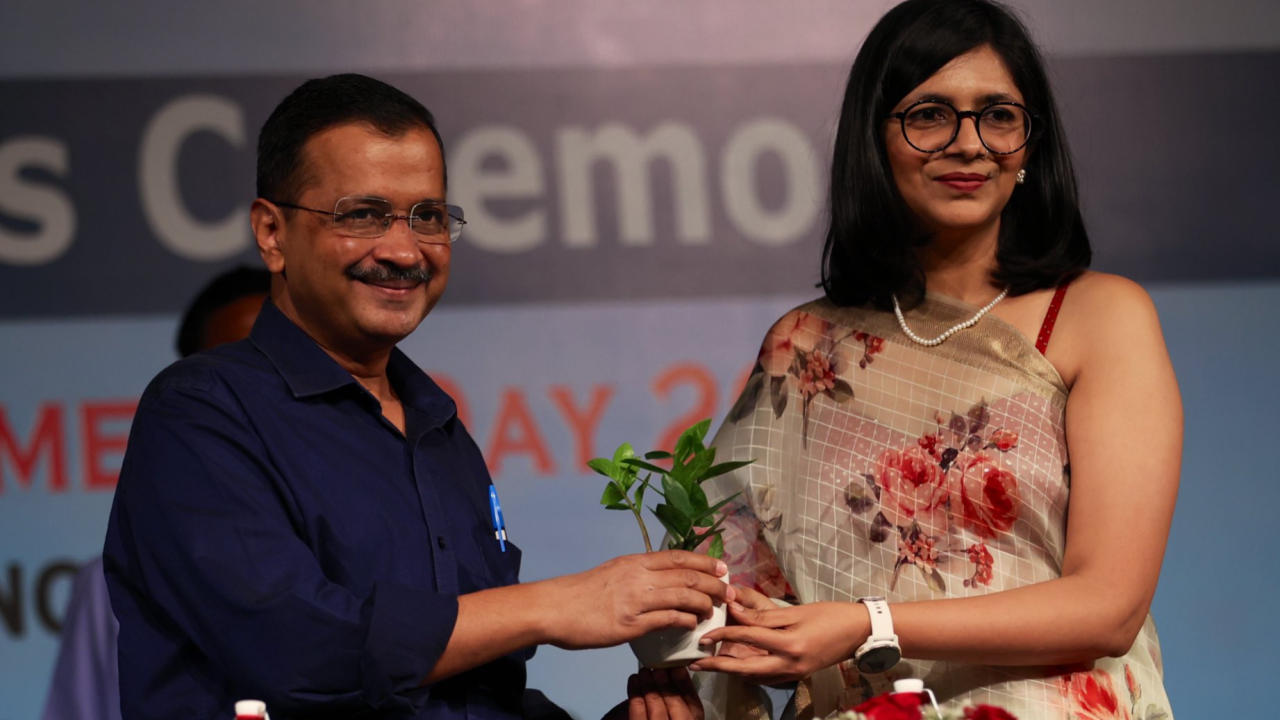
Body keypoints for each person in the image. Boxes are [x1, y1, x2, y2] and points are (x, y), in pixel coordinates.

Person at [102, 74, 730, 719]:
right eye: (363, 215)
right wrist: (554, 605)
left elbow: (474, 697)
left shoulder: (439, 432)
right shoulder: (201, 411)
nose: (404, 250)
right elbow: (295, 651)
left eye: (426, 216)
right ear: (271, 233)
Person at [686, 1, 1180, 718]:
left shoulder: (1098, 318)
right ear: (875, 140)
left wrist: (868, 622)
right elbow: (730, 595)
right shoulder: (805, 348)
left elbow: (1109, 606)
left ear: (1030, 146)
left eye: (998, 116)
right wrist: (683, 653)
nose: (968, 144)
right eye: (929, 115)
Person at [42, 266, 270, 720]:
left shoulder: (379, 557)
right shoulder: (112, 585)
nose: (258, 400)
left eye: (276, 371)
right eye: (231, 377)